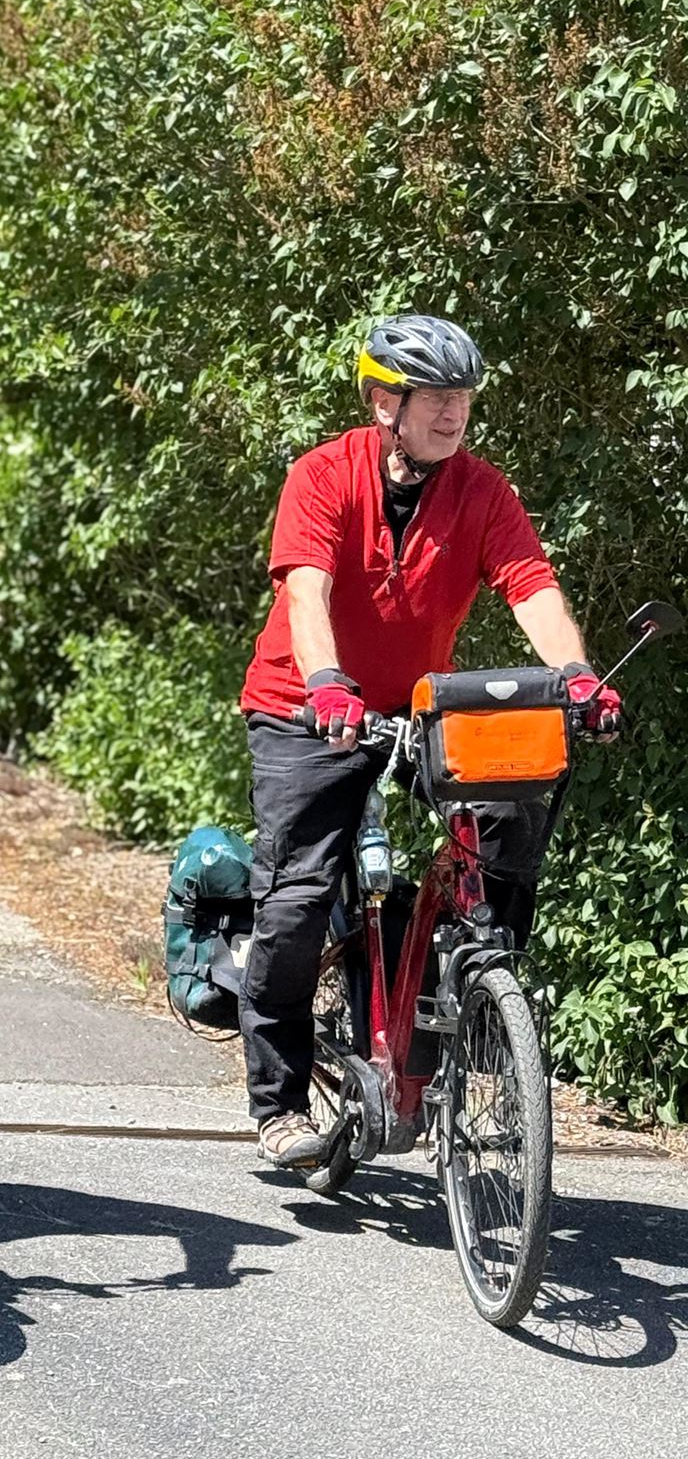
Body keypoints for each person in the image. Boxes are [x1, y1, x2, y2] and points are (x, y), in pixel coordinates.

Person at [237, 314, 621, 1167]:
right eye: (437, 398)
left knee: (508, 821)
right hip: (306, 707)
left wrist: (577, 675)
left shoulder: (482, 491)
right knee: (296, 899)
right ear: (386, 402)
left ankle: (474, 1001)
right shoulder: (322, 475)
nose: (454, 414)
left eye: (464, 398)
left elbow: (530, 584)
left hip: (415, 712)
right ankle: (280, 1101)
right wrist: (327, 682)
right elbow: (308, 590)